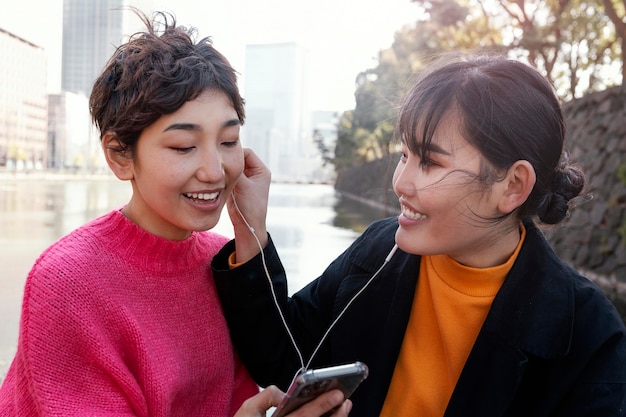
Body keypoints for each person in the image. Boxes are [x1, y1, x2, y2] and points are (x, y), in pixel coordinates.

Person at [212, 53, 626, 417]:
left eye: (429, 161)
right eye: (404, 155)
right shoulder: (378, 251)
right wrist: (252, 229)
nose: (401, 182)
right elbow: (287, 355)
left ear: (513, 186)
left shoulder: (587, 334)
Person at [0, 10, 352, 417]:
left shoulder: (227, 261)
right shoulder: (66, 283)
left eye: (229, 140)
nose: (215, 170)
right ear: (119, 156)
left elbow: (277, 363)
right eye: (184, 146)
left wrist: (252, 233)